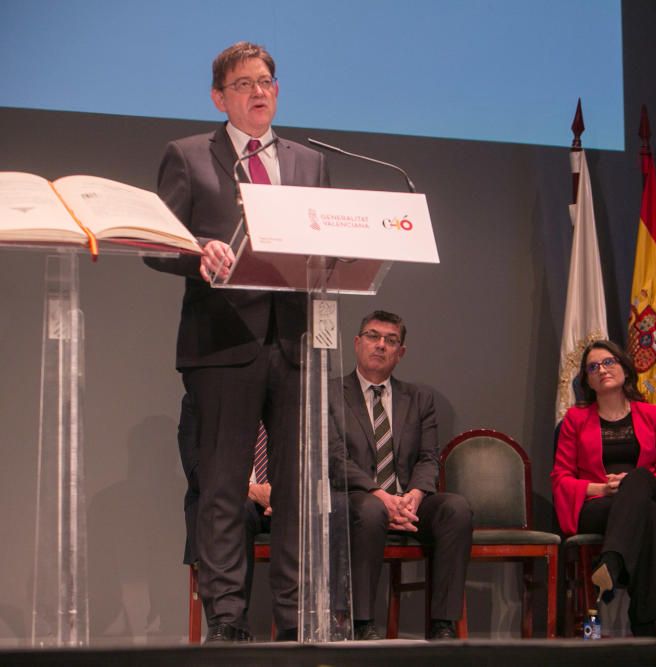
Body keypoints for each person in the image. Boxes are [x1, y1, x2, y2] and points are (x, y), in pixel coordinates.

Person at [145, 41, 330, 642]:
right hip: (223, 343)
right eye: (245, 82)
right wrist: (197, 252)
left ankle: (298, 618)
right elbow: (154, 242)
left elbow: (323, 243)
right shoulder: (189, 156)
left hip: (296, 343)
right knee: (223, 489)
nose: (259, 90)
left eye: (267, 80)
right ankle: (227, 621)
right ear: (219, 97)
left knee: (298, 491)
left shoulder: (308, 162)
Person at [331, 310, 472, 640]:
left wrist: (415, 496)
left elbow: (428, 458)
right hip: (360, 499)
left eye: (390, 340)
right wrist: (381, 497)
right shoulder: (333, 393)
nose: (380, 345)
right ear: (357, 343)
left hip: (409, 501)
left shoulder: (420, 399)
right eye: (372, 336)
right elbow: (334, 459)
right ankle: (363, 623)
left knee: (457, 510)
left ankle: (443, 624)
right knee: (370, 510)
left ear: (401, 352)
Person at [551, 340, 656, 637]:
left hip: (652, 495)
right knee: (644, 510)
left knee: (638, 480)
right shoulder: (575, 419)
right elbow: (561, 478)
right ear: (587, 380)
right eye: (593, 367)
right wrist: (603, 487)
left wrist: (630, 484)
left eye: (609, 362)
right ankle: (644, 623)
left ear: (624, 367)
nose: (602, 370)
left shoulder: (651, 415)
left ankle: (611, 560)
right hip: (599, 504)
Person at [177, 394, 270, 634]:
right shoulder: (198, 401)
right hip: (227, 501)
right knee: (235, 511)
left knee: (323, 510)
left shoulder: (281, 399)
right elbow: (198, 472)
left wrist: (282, 493)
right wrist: (249, 490)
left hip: (279, 503)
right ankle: (229, 625)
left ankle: (304, 632)